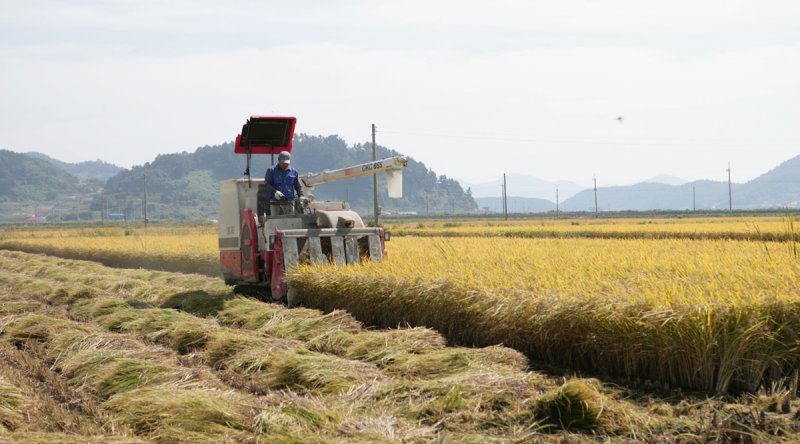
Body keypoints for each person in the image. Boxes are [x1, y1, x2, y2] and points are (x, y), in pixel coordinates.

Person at [264, 150, 303, 216]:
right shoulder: (271, 170)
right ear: (279, 161)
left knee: (290, 222)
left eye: (287, 163)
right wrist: (275, 192)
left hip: (289, 203)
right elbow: (267, 185)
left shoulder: (294, 172)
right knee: (275, 222)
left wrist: (301, 196)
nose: (285, 165)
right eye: (283, 163)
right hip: (275, 203)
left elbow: (297, 186)